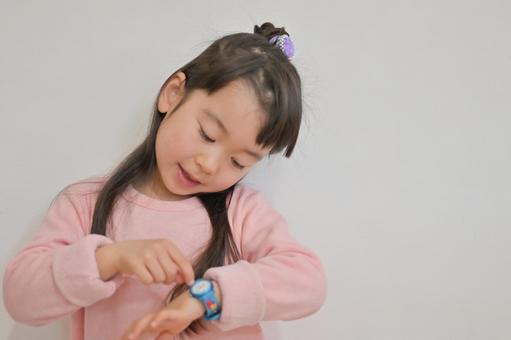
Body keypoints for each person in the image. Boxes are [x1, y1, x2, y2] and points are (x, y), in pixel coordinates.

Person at [2, 22, 327, 340]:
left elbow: (309, 283)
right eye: (207, 134)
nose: (209, 165)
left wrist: (208, 296)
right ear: (173, 94)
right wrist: (108, 259)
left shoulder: (242, 213)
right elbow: (21, 298)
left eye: (238, 162)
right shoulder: (85, 204)